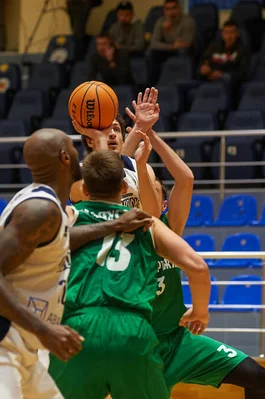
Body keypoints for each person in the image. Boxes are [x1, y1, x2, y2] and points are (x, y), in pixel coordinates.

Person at [122, 128, 265, 398]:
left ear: (164, 202)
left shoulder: (171, 230)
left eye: (153, 185)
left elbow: (186, 178)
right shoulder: (124, 237)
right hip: (141, 349)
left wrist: (151, 136)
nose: (146, 188)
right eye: (142, 185)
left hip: (178, 340)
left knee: (258, 378)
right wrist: (139, 163)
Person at [48, 149, 212, 399]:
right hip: (132, 330)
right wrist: (200, 311)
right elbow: (198, 267)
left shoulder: (71, 217)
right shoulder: (146, 222)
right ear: (125, 187)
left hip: (78, 328)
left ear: (85, 190)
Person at [0, 129, 86, 399]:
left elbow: (64, 239)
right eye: (72, 146)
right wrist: (44, 330)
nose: (76, 151)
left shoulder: (41, 203)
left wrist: (113, 225)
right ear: (64, 157)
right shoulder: (39, 208)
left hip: (19, 345)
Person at [70, 88, 163, 217]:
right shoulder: (78, 174)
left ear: (123, 139)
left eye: (116, 129)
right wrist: (99, 138)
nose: (112, 134)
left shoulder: (141, 168)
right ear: (90, 141)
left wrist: (141, 127)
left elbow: (153, 214)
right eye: (105, 130)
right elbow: (105, 199)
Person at [148, 0, 196, 84]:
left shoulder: (188, 21)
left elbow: (186, 44)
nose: (171, 12)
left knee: (183, 51)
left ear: (179, 9)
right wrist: (171, 47)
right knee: (151, 53)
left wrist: (170, 31)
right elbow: (154, 43)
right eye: (167, 9)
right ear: (164, 11)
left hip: (184, 51)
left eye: (173, 8)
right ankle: (152, 85)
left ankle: (181, 82)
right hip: (167, 49)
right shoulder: (161, 21)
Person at [199, 20, 250, 86]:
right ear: (222, 34)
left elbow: (242, 74)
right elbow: (203, 63)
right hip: (209, 80)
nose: (229, 36)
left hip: (230, 84)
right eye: (226, 33)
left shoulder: (243, 49)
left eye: (232, 33)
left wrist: (221, 75)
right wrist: (203, 70)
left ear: (237, 34)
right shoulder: (214, 47)